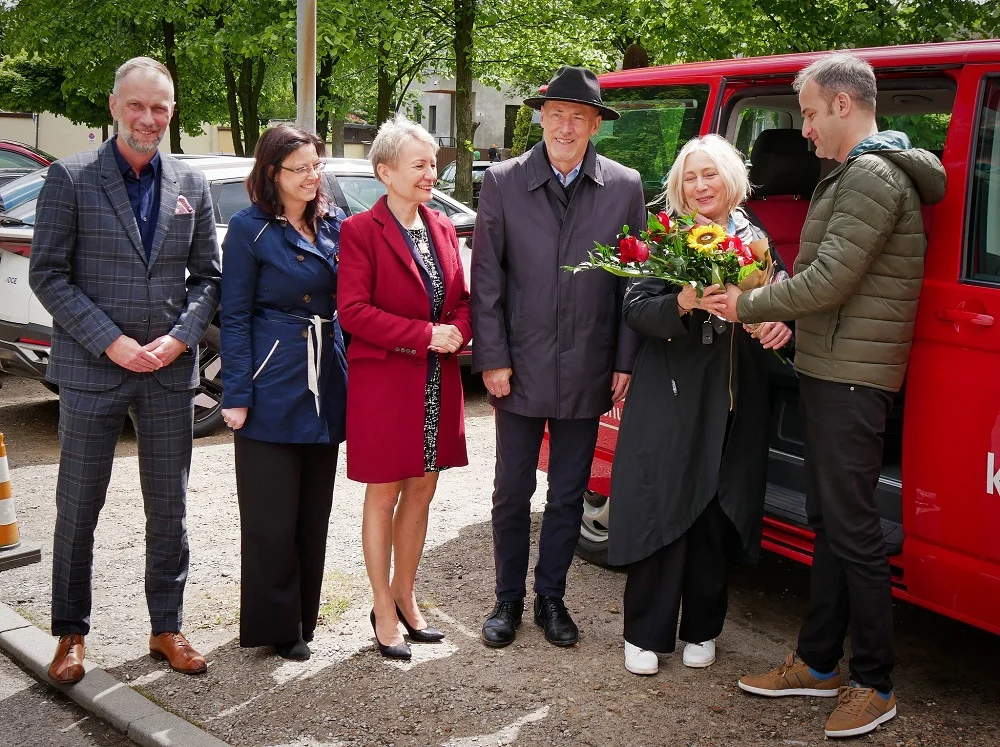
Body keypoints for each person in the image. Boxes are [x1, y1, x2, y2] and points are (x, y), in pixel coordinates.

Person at [716, 53, 946, 738]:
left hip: (853, 376)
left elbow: (829, 278)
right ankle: (819, 662)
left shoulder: (871, 177)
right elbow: (826, 280)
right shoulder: (852, 175)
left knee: (853, 530)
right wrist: (784, 311)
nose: (806, 130)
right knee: (830, 520)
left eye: (810, 113)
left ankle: (874, 681)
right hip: (832, 366)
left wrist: (749, 301)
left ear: (844, 105)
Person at [29, 57, 221, 683]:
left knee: (170, 508)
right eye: (136, 105)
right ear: (114, 106)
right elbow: (48, 275)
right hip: (92, 370)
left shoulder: (190, 179)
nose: (148, 118)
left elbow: (208, 280)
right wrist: (108, 339)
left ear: (171, 111)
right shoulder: (72, 176)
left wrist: (180, 338)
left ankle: (166, 627)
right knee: (78, 506)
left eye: (159, 107)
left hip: (167, 374)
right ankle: (70, 635)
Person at [471, 66, 643, 649]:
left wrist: (624, 360)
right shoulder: (502, 181)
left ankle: (551, 597)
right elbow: (487, 278)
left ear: (596, 125)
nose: (567, 127)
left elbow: (632, 285)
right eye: (557, 114)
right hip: (517, 367)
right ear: (541, 117)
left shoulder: (624, 186)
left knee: (569, 492)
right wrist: (491, 357)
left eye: (579, 117)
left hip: (590, 368)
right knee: (511, 490)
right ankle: (507, 599)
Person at [607, 135, 792, 677]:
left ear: (731, 177)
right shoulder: (666, 233)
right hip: (673, 398)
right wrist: (684, 301)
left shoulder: (753, 237)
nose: (699, 186)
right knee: (664, 507)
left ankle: (703, 628)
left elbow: (782, 296)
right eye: (690, 177)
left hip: (735, 399)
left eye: (709, 174)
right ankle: (646, 633)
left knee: (715, 513)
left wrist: (779, 319)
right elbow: (636, 307)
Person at [338, 115, 472, 660]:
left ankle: (406, 595)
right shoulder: (359, 232)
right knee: (386, 490)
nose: (430, 173)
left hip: (437, 378)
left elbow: (462, 298)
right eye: (419, 164)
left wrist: (457, 331)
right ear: (384, 171)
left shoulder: (441, 225)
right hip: (386, 383)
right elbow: (353, 311)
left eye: (433, 164)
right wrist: (423, 335)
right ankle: (382, 606)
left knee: (423, 487)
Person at [219, 124, 348, 661]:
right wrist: (236, 392)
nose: (311, 177)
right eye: (299, 168)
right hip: (272, 376)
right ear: (271, 172)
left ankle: (303, 618)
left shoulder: (333, 222)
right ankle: (276, 625)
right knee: (271, 515)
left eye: (316, 166)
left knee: (313, 509)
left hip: (325, 377)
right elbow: (235, 315)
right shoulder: (249, 229)